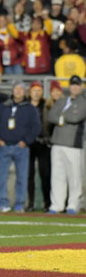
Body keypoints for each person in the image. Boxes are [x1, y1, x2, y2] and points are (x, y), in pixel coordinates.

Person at [0, 82, 41, 212]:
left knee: (22, 177)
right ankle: (3, 202)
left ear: (25, 92)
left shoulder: (30, 108)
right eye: (16, 89)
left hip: (21, 147)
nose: (18, 91)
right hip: (4, 145)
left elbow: (36, 127)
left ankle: (20, 203)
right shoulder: (3, 106)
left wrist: (26, 141)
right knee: (1, 177)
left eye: (20, 89)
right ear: (12, 91)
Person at [47, 75, 86, 214]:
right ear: (69, 86)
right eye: (72, 85)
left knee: (74, 176)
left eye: (77, 85)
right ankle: (56, 205)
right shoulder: (63, 100)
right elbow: (50, 116)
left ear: (81, 86)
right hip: (57, 142)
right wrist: (63, 118)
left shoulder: (83, 101)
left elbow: (76, 117)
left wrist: (61, 117)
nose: (74, 87)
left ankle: (73, 205)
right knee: (57, 176)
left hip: (73, 144)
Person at [26, 81, 51, 212]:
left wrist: (48, 138)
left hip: (43, 142)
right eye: (34, 90)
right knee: (29, 175)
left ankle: (47, 202)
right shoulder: (25, 106)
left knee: (45, 174)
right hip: (28, 143)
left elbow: (49, 123)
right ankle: (31, 203)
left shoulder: (46, 105)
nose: (37, 93)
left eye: (39, 90)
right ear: (30, 92)